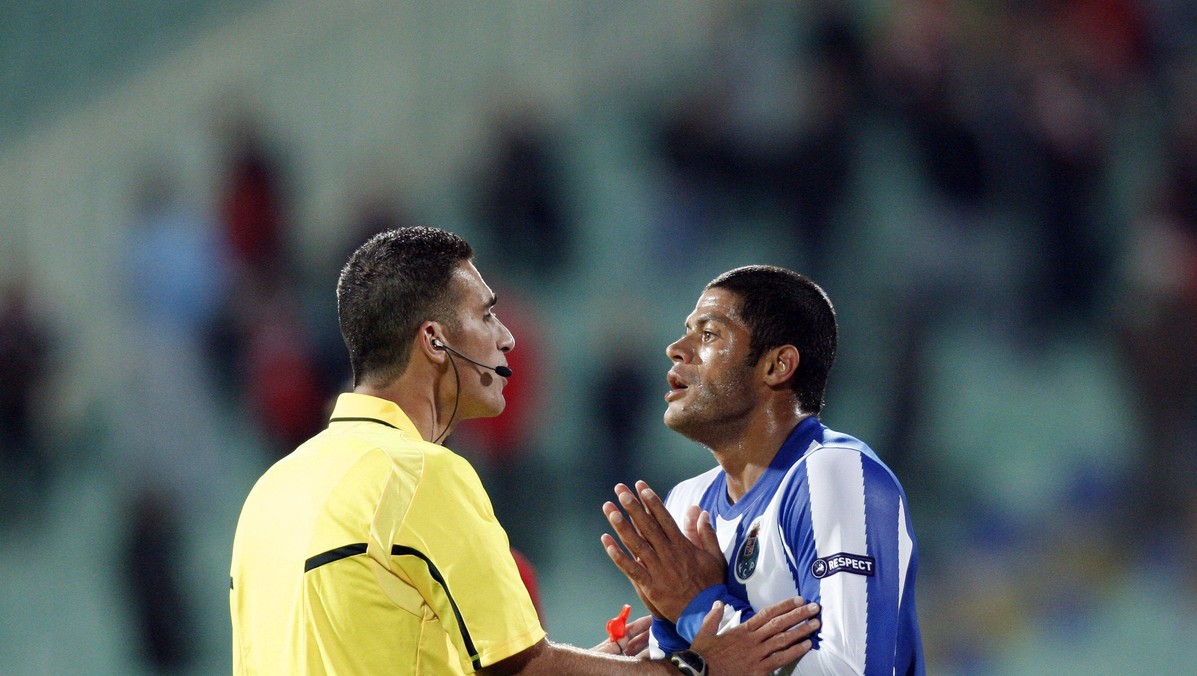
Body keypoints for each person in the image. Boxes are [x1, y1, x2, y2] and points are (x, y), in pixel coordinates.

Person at [230, 228, 822, 675]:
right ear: (435, 341)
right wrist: (694, 668)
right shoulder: (417, 474)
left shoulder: (267, 496)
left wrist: (594, 665)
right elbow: (528, 673)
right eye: (487, 315)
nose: (507, 336)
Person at [602, 265, 925, 674]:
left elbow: (854, 669)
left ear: (777, 365)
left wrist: (698, 609)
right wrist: (668, 632)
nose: (676, 348)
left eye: (708, 334)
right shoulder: (688, 500)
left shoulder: (833, 475)